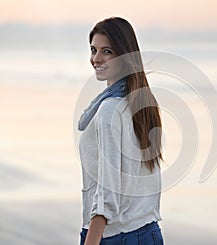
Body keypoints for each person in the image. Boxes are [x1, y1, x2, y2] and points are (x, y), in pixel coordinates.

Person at [78, 17, 164, 245]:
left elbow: (107, 193)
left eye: (107, 51)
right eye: (93, 50)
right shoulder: (145, 104)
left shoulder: (109, 110)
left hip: (114, 236)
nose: (96, 59)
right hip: (149, 233)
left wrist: (92, 240)